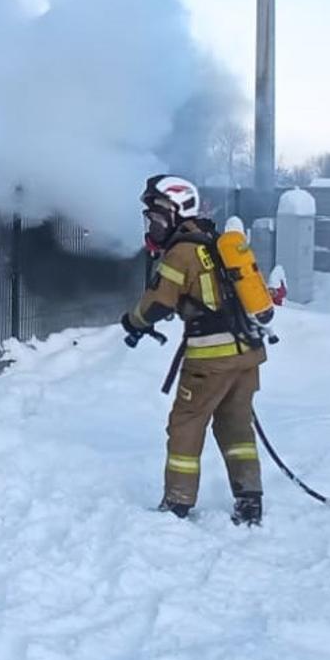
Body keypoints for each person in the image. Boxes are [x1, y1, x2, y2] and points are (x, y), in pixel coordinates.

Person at [121, 174, 265, 525]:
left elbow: (157, 304)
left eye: (156, 216)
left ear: (176, 211)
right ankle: (250, 500)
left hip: (209, 359)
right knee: (236, 426)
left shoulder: (181, 252)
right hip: (246, 354)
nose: (152, 224)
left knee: (186, 423)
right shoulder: (213, 241)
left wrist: (132, 322)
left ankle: (178, 502)